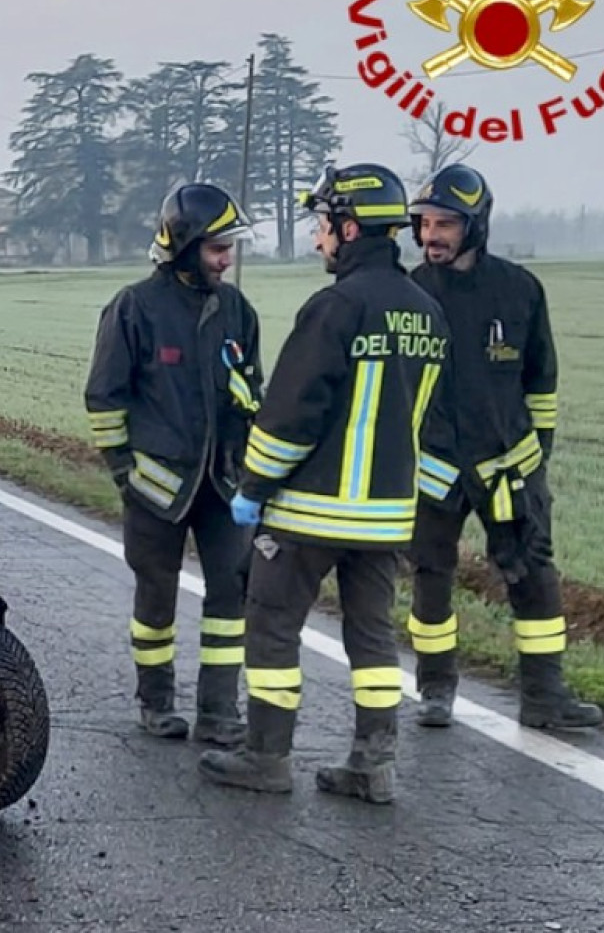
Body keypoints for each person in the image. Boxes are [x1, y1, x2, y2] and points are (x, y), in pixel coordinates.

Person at [198, 163, 447, 804]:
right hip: (388, 517)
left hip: (311, 512)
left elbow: (289, 414)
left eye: (323, 225)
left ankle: (266, 758)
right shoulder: (428, 312)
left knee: (273, 626)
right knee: (373, 638)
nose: (317, 240)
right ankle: (372, 766)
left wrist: (253, 487)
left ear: (350, 225)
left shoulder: (334, 308)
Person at [405, 164, 602, 730]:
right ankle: (436, 689)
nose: (431, 236)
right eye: (424, 224)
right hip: (433, 467)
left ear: (476, 225)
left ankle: (544, 697)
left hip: (508, 467)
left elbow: (542, 381)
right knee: (430, 573)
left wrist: (535, 457)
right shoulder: (410, 293)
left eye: (445, 224)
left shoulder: (519, 290)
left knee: (533, 574)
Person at [83, 182, 265, 747]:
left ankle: (218, 710)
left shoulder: (238, 309)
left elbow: (251, 391)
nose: (226, 259)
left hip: (221, 486)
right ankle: (155, 700)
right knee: (156, 596)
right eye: (217, 247)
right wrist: (124, 474)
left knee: (230, 596)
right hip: (155, 488)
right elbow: (104, 398)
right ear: (185, 245)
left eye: (230, 247)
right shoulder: (135, 307)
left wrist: (252, 471)